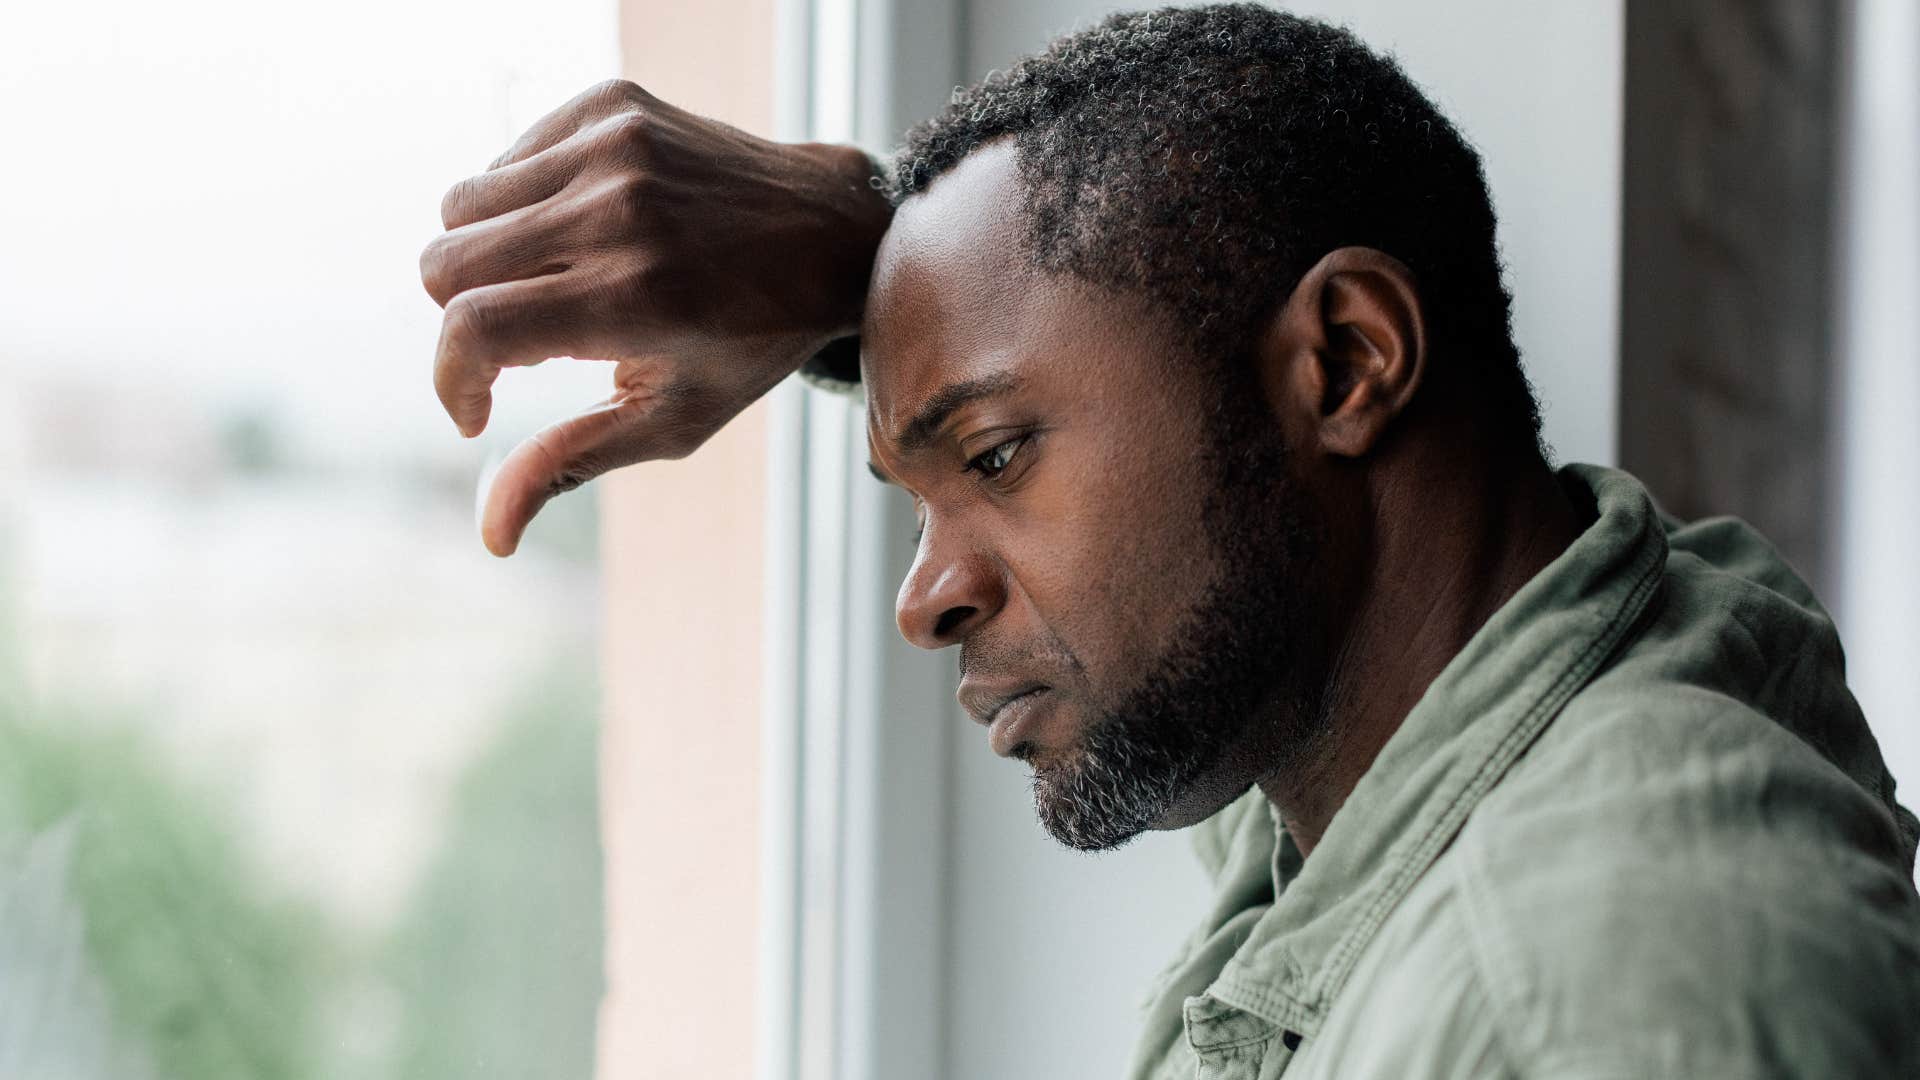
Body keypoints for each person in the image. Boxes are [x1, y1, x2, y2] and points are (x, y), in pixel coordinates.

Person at [418, 5, 1920, 1076]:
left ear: (1342, 364)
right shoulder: (1415, 731)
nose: (926, 596)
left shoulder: (1607, 993)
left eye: (997, 455)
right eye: (918, 494)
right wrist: (865, 256)